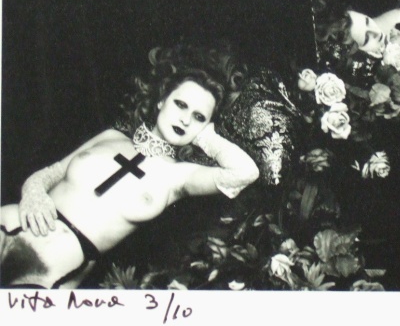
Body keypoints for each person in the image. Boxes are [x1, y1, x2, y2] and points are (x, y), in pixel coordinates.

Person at [0, 62, 260, 289]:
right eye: (180, 104)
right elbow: (54, 171)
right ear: (161, 100)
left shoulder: (178, 177)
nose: (185, 120)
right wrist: (33, 192)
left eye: (199, 116)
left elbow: (244, 173)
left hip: (54, 271)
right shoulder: (111, 136)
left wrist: (206, 138)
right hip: (10, 222)